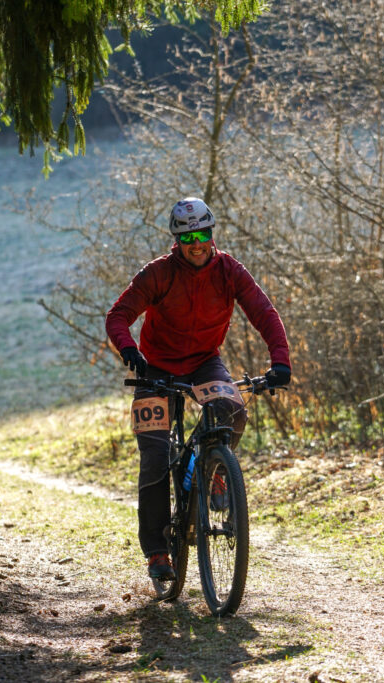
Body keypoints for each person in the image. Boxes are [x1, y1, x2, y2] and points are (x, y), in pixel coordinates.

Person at [105, 197, 292, 581]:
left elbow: (264, 312)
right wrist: (129, 349)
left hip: (204, 362)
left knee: (232, 409)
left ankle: (213, 467)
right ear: (177, 239)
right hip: (155, 368)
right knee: (155, 457)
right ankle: (158, 553)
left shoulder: (229, 271)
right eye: (187, 237)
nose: (196, 243)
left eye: (202, 235)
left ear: (211, 234)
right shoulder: (158, 273)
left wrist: (280, 361)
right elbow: (118, 316)